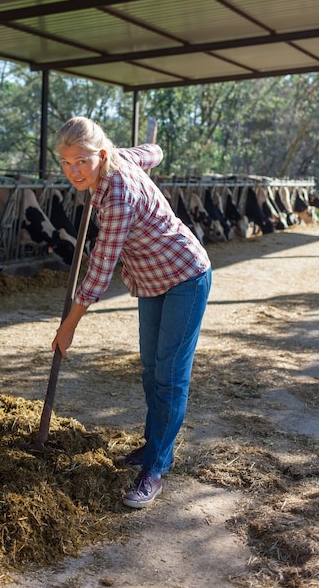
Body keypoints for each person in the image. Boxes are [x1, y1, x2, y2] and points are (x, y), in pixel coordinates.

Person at [52, 116, 212, 509]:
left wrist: (68, 326)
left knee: (170, 375)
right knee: (149, 369)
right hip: (149, 279)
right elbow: (151, 153)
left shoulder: (118, 193)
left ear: (101, 155)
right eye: (66, 162)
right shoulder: (119, 157)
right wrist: (155, 151)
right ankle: (152, 445)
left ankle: (156, 468)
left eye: (82, 162)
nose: (74, 171)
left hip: (184, 276)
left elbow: (102, 268)